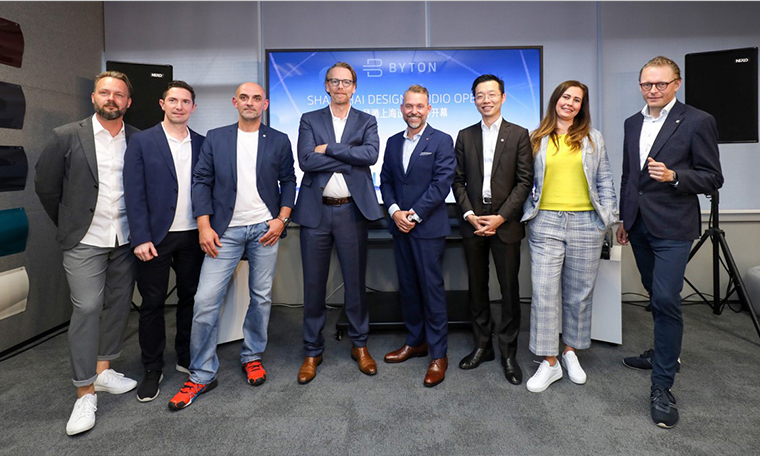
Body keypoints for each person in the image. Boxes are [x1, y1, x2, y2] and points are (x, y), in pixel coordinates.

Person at [167, 82, 296, 411]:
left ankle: (252, 356)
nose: (250, 103)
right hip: (224, 232)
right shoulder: (216, 137)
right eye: (244, 98)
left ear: (265, 104)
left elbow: (289, 181)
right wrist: (204, 225)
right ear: (235, 102)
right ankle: (202, 373)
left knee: (261, 297)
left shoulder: (279, 140)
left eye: (257, 98)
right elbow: (201, 181)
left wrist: (282, 219)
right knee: (205, 300)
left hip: (265, 229)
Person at [617, 56, 723, 428]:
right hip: (638, 225)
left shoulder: (697, 121)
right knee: (654, 294)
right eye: (647, 84)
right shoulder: (632, 123)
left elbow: (713, 177)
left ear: (676, 84)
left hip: (674, 226)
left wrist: (674, 176)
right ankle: (664, 352)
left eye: (661, 84)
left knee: (665, 299)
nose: (653, 90)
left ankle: (662, 384)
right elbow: (630, 175)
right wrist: (623, 218)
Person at [35, 71, 139, 436]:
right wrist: (70, 224)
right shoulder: (66, 135)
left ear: (128, 102)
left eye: (119, 94)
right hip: (84, 240)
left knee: (119, 305)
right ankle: (84, 391)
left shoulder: (138, 138)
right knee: (88, 308)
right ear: (94, 97)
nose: (111, 98)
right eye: (105, 92)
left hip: (126, 238)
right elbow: (46, 186)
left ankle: (104, 370)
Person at [521, 80, 618, 393]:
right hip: (545, 221)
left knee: (579, 293)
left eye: (577, 100)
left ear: (581, 106)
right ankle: (549, 361)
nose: (570, 103)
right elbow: (524, 180)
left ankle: (570, 351)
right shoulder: (536, 137)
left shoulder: (593, 137)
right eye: (566, 97)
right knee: (544, 291)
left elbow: (605, 180)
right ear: (556, 100)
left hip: (587, 223)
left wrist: (608, 219)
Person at [292, 62, 383, 384]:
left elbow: (370, 155)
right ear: (326, 86)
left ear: (354, 87)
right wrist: (348, 158)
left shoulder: (367, 120)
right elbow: (306, 160)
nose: (340, 86)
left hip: (351, 212)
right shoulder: (309, 119)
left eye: (346, 82)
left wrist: (329, 149)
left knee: (355, 284)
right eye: (334, 81)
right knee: (314, 285)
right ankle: (312, 350)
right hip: (315, 213)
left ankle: (360, 345)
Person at [123, 80, 205, 402]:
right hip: (155, 237)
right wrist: (140, 237)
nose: (179, 106)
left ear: (193, 107)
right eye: (173, 100)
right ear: (162, 104)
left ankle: (185, 355)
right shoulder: (142, 141)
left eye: (185, 102)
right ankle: (152, 368)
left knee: (191, 299)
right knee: (152, 304)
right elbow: (133, 192)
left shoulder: (203, 143)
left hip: (194, 235)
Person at [452, 74, 534, 385]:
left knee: (509, 289)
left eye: (491, 94)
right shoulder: (465, 135)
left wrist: (501, 216)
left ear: (503, 97)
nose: (485, 100)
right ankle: (482, 345)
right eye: (480, 95)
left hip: (505, 222)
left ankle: (508, 353)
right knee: (477, 287)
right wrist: (470, 214)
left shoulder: (519, 134)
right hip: (473, 221)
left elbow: (524, 181)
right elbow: (457, 180)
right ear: (474, 99)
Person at [380, 85, 456, 387]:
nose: (414, 111)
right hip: (400, 227)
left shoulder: (441, 140)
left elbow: (442, 184)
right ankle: (415, 342)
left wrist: (413, 215)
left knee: (431, 291)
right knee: (409, 288)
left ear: (428, 109)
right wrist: (395, 211)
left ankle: (438, 354)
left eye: (419, 106)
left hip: (427, 228)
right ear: (401, 108)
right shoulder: (392, 142)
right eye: (409, 106)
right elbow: (386, 180)